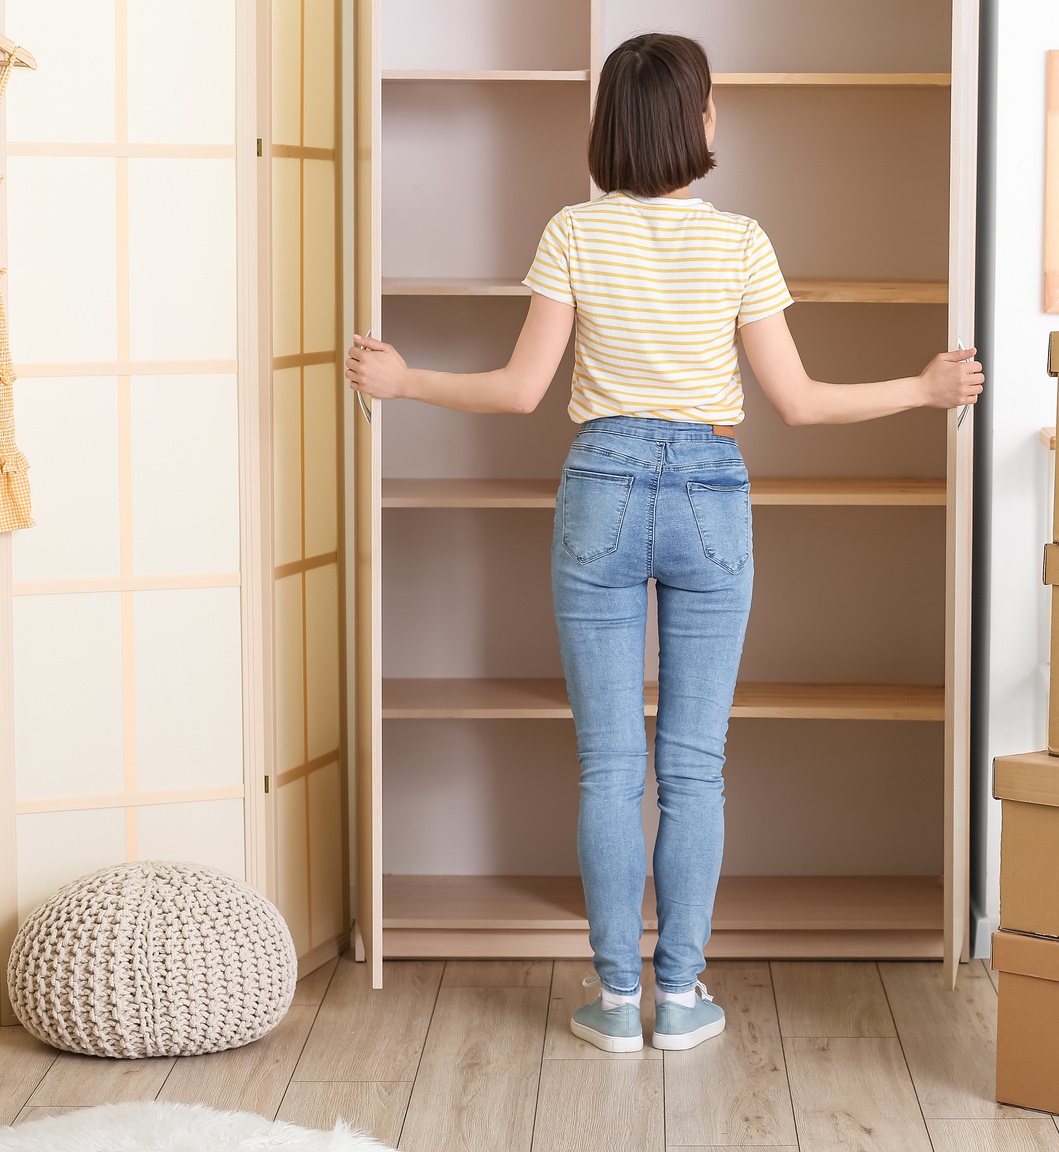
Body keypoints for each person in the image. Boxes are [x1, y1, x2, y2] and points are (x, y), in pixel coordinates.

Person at [344, 32, 983, 1053]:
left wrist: (403, 379)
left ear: (607, 127)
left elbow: (517, 393)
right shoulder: (741, 241)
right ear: (702, 123)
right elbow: (801, 404)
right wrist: (924, 387)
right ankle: (680, 1000)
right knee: (694, 767)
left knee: (605, 766)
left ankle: (612, 1002)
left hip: (600, 484)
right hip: (709, 490)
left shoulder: (571, 233)